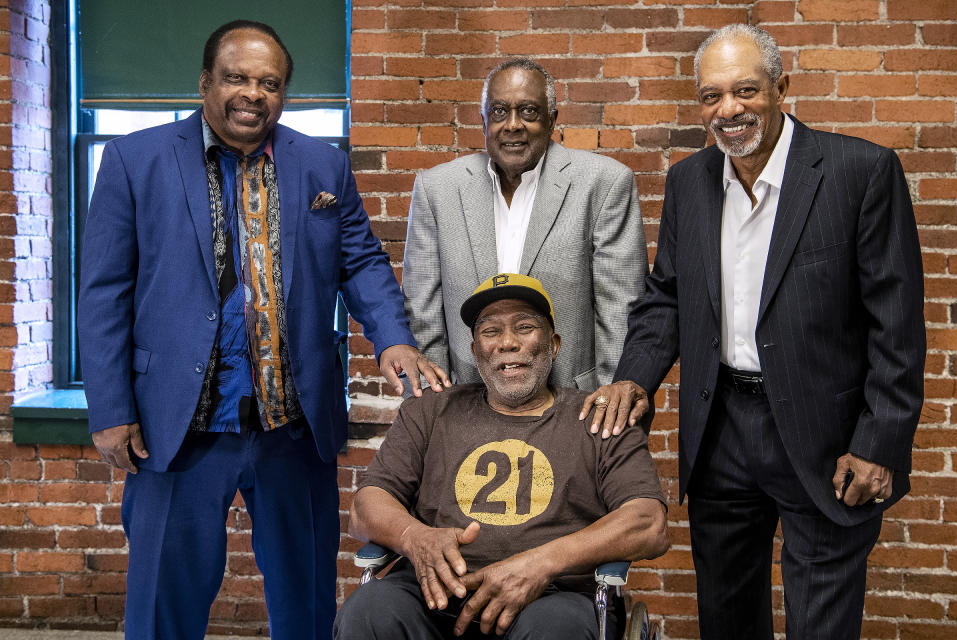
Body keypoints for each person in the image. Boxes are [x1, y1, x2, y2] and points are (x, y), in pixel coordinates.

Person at [77, 20, 448, 640]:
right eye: (237, 78)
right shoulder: (133, 160)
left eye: (269, 83)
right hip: (178, 425)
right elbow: (103, 292)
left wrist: (393, 336)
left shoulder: (321, 165)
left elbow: (359, 261)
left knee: (305, 602)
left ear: (284, 94)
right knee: (163, 604)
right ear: (204, 83)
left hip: (294, 426)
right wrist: (110, 407)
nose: (253, 93)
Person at [582, 24, 925, 640]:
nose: (728, 110)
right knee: (728, 617)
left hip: (829, 439)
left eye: (745, 90)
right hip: (722, 433)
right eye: (711, 96)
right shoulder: (689, 181)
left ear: (781, 87)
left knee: (821, 621)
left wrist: (880, 442)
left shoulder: (859, 172)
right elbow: (667, 299)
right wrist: (634, 377)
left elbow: (896, 325)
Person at [335, 273, 669, 639]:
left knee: (557, 629)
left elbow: (648, 523)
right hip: (435, 595)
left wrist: (540, 564)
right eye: (491, 332)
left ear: (554, 344)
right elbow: (366, 506)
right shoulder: (430, 411)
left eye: (524, 327)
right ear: (476, 350)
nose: (507, 343)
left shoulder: (598, 416)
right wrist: (414, 537)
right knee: (369, 612)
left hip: (551, 597)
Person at [403, 57, 646, 396]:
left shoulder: (603, 184)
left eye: (528, 112)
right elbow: (423, 312)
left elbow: (620, 313)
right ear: (484, 120)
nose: (512, 125)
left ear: (552, 120)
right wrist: (433, 412)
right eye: (499, 112)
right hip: (468, 403)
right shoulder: (438, 189)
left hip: (572, 404)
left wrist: (609, 414)